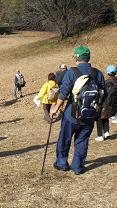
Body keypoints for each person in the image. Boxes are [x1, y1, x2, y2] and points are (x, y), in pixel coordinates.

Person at [51, 45, 106, 175]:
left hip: (71, 115)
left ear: (76, 58)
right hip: (89, 116)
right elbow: (104, 94)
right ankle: (78, 167)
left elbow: (63, 93)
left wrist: (55, 109)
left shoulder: (72, 72)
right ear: (88, 58)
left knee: (64, 138)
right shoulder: (97, 73)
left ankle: (62, 163)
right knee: (82, 141)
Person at [95, 65, 117, 141]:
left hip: (105, 103)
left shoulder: (106, 82)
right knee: (105, 117)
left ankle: (100, 136)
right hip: (113, 105)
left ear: (108, 73)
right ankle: (106, 132)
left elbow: (101, 93)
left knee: (99, 118)